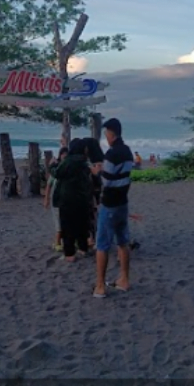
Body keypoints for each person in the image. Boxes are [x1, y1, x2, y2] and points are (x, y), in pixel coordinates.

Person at [93, 118, 135, 298]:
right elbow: (120, 174)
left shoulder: (111, 153)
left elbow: (106, 180)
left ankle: (100, 285)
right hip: (123, 202)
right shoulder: (127, 151)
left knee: (102, 245)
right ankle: (124, 279)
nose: (106, 137)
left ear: (111, 133)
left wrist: (98, 171)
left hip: (109, 204)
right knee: (123, 242)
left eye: (106, 134)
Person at [47, 139, 95, 262]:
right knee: (82, 225)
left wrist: (52, 165)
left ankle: (69, 254)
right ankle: (83, 249)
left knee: (67, 226)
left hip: (67, 198)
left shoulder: (68, 161)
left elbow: (57, 173)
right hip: (82, 198)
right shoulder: (84, 162)